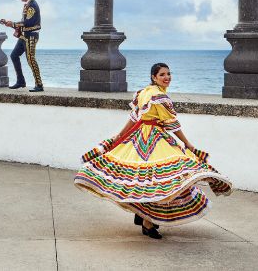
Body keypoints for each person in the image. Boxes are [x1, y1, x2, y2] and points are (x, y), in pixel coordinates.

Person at [74, 63, 232, 239]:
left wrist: (120, 135)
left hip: (139, 136)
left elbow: (134, 118)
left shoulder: (143, 93)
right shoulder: (159, 97)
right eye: (162, 74)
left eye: (169, 74)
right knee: (159, 180)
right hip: (153, 138)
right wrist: (188, 144)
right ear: (154, 77)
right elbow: (172, 124)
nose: (167, 77)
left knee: (144, 179)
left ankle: (141, 215)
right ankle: (148, 223)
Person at [0, 0, 44, 92]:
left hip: (31, 36)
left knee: (31, 60)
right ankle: (21, 81)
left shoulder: (33, 5)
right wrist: (12, 24)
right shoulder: (28, 5)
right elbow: (24, 23)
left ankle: (39, 85)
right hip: (24, 36)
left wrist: (13, 24)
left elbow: (28, 23)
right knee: (14, 55)